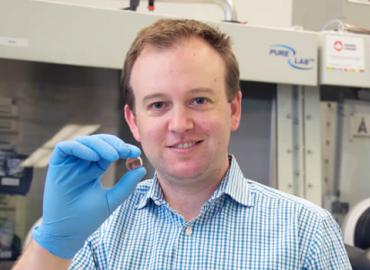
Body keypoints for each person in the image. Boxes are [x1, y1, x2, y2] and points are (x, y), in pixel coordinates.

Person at [14, 19, 351, 269]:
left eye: (200, 100)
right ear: (134, 122)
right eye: (158, 105)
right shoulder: (98, 232)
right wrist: (53, 245)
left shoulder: (307, 231)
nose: (179, 125)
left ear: (234, 109)